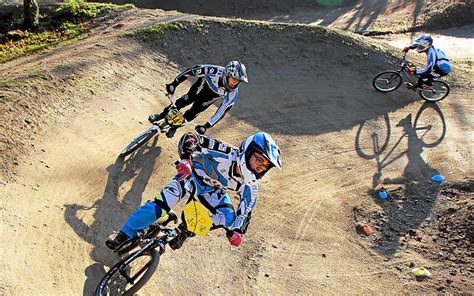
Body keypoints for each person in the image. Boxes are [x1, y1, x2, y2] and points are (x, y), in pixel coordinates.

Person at [106, 131, 282, 250]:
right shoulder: (227, 152)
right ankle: (124, 233)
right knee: (161, 205)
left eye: (265, 166)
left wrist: (236, 232)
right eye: (259, 160)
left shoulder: (252, 186)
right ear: (248, 152)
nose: (261, 167)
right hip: (192, 176)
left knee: (228, 217)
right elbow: (192, 137)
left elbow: (244, 215)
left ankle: (185, 230)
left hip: (213, 190)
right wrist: (186, 160)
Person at [148, 61, 248, 138]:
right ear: (227, 74)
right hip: (198, 90)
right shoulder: (214, 71)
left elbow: (222, 111)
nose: (235, 83)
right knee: (184, 101)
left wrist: (206, 126)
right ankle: (161, 115)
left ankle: (175, 127)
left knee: (193, 113)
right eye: (234, 79)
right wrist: (174, 84)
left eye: (238, 81)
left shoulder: (233, 94)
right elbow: (192, 71)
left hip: (206, 101)